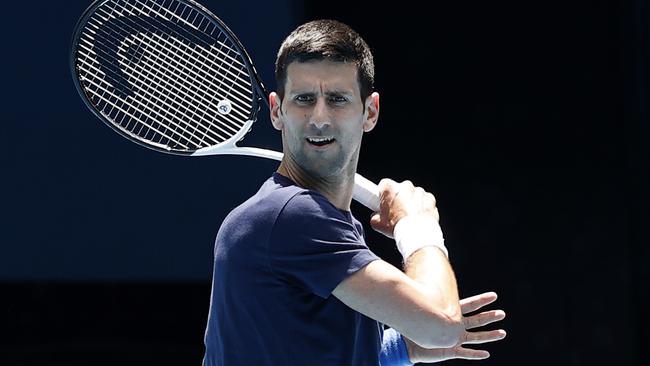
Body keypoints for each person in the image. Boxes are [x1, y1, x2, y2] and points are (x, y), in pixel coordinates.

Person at [203, 19, 506, 366]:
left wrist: (399, 349)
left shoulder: (305, 223)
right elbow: (442, 325)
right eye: (304, 99)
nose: (319, 118)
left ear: (370, 111)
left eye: (337, 99)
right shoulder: (290, 215)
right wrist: (417, 226)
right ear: (276, 110)